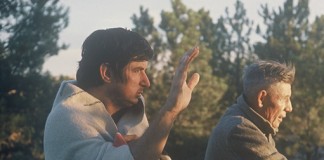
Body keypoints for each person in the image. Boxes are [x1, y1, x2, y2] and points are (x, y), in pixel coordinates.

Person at [43, 28, 200, 160]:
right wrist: (170, 110)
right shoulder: (67, 118)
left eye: (145, 71)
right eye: (137, 70)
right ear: (107, 73)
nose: (147, 82)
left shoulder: (132, 110)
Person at [204, 60, 295, 160]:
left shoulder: (255, 124)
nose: (289, 108)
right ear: (261, 98)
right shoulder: (240, 129)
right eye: (284, 99)